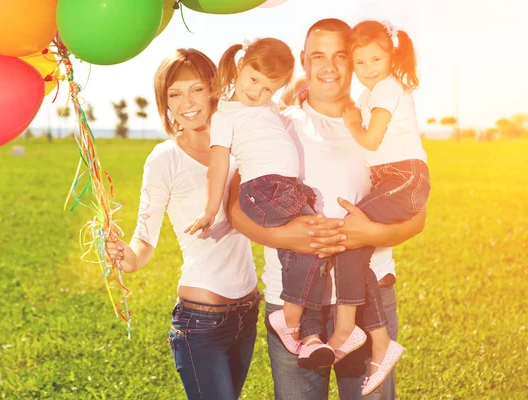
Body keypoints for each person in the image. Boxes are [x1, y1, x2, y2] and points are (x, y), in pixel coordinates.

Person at [227, 19, 427, 399]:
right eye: (318, 56)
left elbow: (418, 213)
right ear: (303, 61)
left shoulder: (376, 126)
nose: (330, 67)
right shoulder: (276, 124)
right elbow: (237, 207)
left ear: (353, 62)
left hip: (370, 298)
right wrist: (286, 237)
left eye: (340, 56)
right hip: (295, 303)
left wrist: (374, 234)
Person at [105, 48, 263, 400]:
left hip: (249, 309)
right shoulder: (166, 158)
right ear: (165, 103)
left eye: (194, 89)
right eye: (174, 94)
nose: (186, 102)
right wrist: (127, 258)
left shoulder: (239, 145)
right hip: (201, 322)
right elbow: (144, 236)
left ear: (212, 89)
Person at [185, 37, 336, 370]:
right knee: (315, 244)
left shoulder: (267, 107)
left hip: (287, 191)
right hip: (262, 191)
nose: (257, 92)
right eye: (253, 79)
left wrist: (301, 92)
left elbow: (289, 99)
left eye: (268, 89)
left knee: (307, 255)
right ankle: (290, 317)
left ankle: (310, 338)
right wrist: (211, 209)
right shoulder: (225, 113)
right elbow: (219, 166)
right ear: (241, 66)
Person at [326, 19, 430, 395]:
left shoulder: (386, 88)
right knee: (352, 247)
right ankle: (375, 338)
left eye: (376, 59)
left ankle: (349, 330)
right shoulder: (376, 90)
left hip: (405, 178)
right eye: (361, 63)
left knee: (351, 240)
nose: (369, 69)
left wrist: (352, 122)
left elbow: (371, 140)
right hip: (392, 178)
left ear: (391, 56)